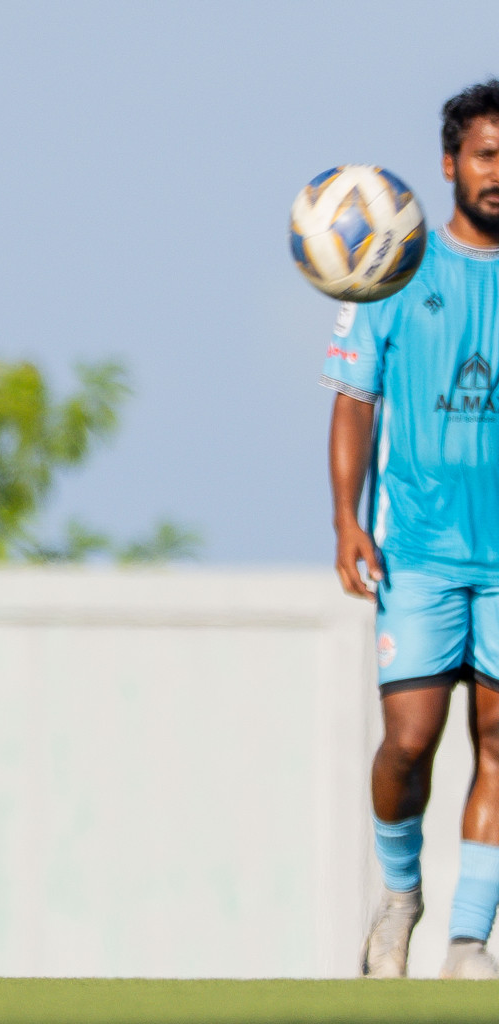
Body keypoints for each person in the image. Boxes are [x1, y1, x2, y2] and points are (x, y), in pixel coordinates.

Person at [326, 79, 499, 980]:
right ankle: (399, 897)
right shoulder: (394, 266)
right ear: (450, 164)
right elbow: (355, 403)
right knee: (410, 743)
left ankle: (469, 941)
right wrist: (347, 522)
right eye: (486, 155)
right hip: (420, 552)